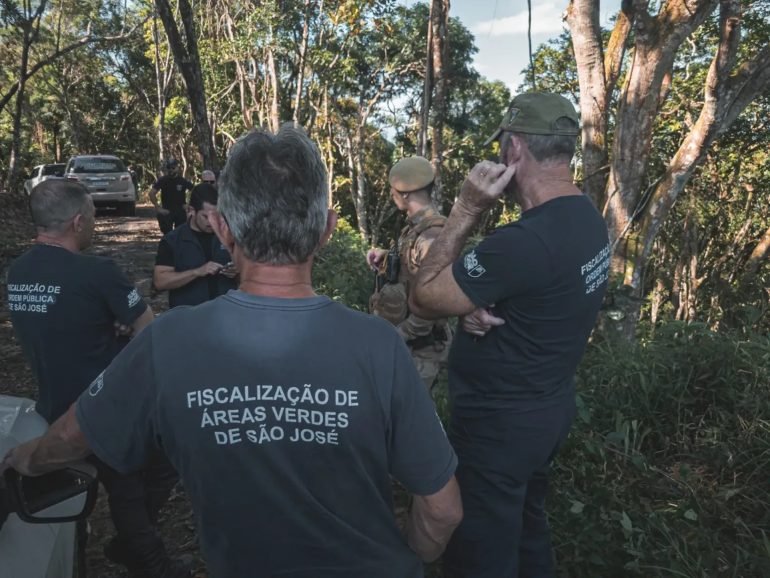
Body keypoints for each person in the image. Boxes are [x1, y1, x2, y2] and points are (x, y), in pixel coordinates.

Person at [3, 125, 463, 578]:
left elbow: (70, 438)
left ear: (223, 230)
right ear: (326, 229)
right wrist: (412, 556)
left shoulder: (168, 342)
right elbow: (442, 509)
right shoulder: (379, 345)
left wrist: (20, 460)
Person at [409, 92, 610, 578]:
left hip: (499, 427)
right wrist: (476, 308)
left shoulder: (524, 242)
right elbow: (542, 292)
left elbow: (425, 297)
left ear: (514, 148)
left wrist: (465, 208)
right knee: (526, 529)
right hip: (547, 409)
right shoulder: (587, 219)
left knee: (480, 550)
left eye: (503, 146)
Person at [5, 180, 189, 578]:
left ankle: (98, 553)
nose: (91, 224)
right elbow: (148, 334)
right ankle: (148, 561)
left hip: (52, 408)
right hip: (105, 409)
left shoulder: (16, 273)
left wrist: (105, 330)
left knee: (64, 504)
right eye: (89, 218)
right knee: (138, 482)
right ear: (76, 222)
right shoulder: (97, 272)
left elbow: (61, 327)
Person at [367, 156, 452, 390]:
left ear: (404, 193)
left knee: (409, 422)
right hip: (409, 348)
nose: (392, 195)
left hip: (420, 353)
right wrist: (386, 258)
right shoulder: (415, 228)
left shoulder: (431, 236)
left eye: (393, 190)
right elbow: (414, 270)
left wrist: (399, 335)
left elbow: (436, 300)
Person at [153, 183, 237, 308]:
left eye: (216, 216)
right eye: (205, 216)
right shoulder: (172, 241)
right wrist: (197, 272)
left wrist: (237, 271)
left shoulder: (229, 235)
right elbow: (160, 281)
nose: (211, 222)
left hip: (225, 314)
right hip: (188, 317)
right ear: (192, 211)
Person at [149, 158, 193, 234]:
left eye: (173, 168)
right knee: (167, 234)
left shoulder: (182, 181)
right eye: (169, 168)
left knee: (180, 234)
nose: (171, 170)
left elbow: (195, 190)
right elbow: (151, 193)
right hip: (166, 210)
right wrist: (157, 207)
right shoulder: (163, 180)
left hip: (180, 210)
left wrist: (189, 205)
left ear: (177, 168)